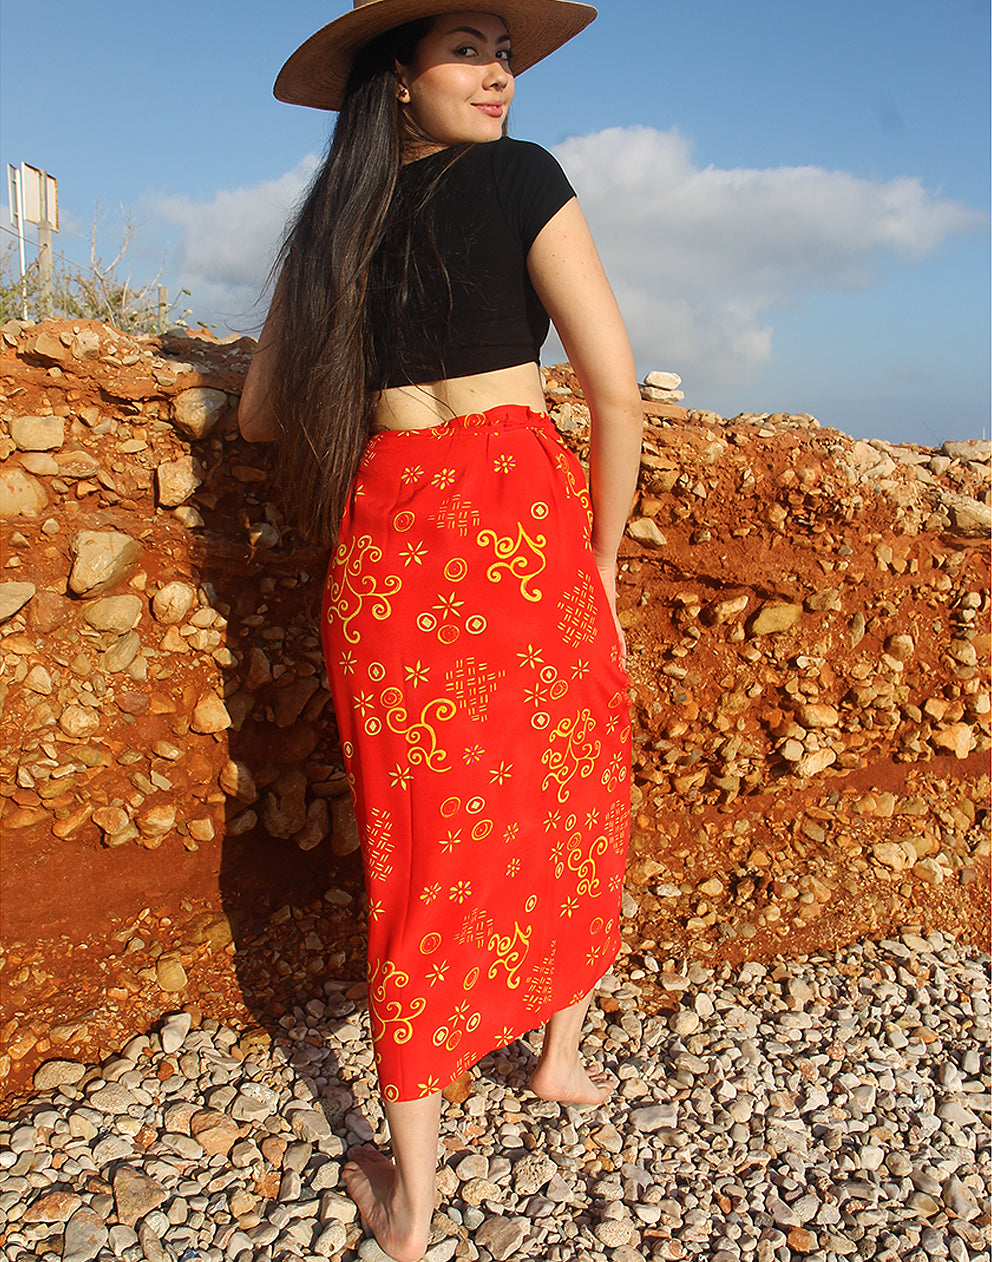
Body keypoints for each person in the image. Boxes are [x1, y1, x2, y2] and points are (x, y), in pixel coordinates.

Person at [238, 3, 643, 1258]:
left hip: (390, 539)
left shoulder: (332, 227)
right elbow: (616, 389)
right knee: (575, 782)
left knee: (419, 845)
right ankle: (551, 1058)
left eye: (504, 54)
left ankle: (415, 1193)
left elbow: (259, 413)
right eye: (468, 50)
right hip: (520, 531)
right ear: (397, 78)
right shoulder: (521, 178)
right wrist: (605, 566)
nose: (497, 75)